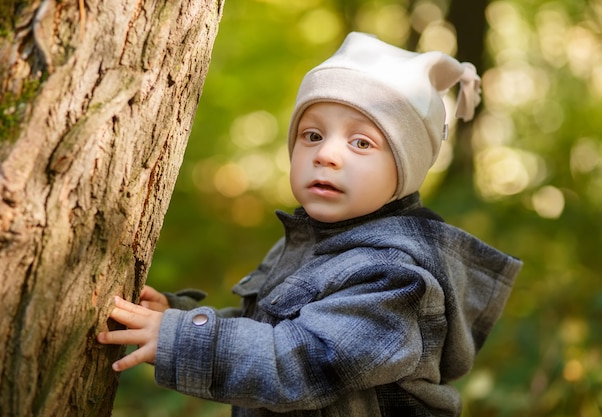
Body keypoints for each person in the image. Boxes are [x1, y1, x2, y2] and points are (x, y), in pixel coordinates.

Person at [98, 32, 522, 416]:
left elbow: (302, 359)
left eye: (361, 142)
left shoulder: (397, 276)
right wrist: (180, 317)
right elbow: (272, 331)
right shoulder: (316, 241)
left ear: (405, 168)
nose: (327, 154)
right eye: (313, 135)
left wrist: (183, 338)